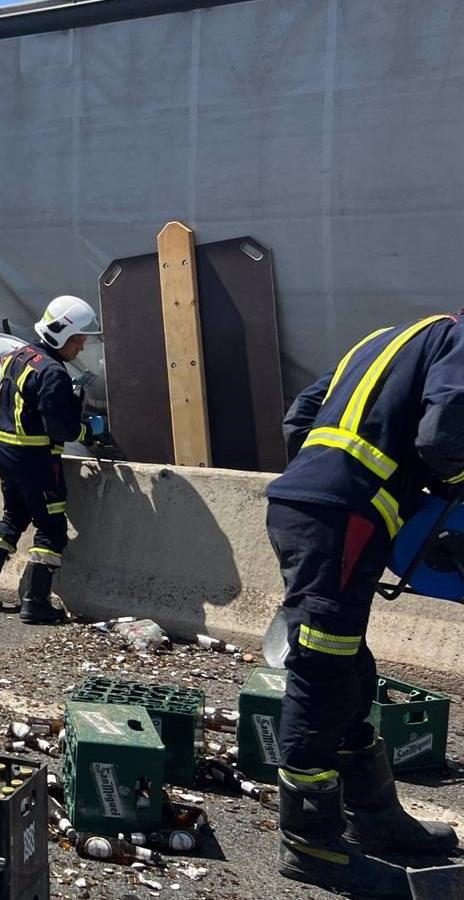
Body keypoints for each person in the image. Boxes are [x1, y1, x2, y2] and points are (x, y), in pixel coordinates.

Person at [264, 314, 463, 896]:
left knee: (349, 663)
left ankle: (374, 816)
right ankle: (310, 843)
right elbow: (444, 437)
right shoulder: (457, 342)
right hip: (343, 515)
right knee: (322, 668)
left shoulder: (385, 338)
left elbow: (300, 413)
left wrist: (324, 477)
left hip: (311, 506)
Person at [0, 295, 106, 624]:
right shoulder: (54, 373)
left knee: (13, 517)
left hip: (5, 453)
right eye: (78, 340)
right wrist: (88, 429)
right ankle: (34, 602)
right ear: (61, 335)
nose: (81, 348)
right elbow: (62, 429)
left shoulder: (17, 356)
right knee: (51, 530)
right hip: (37, 462)